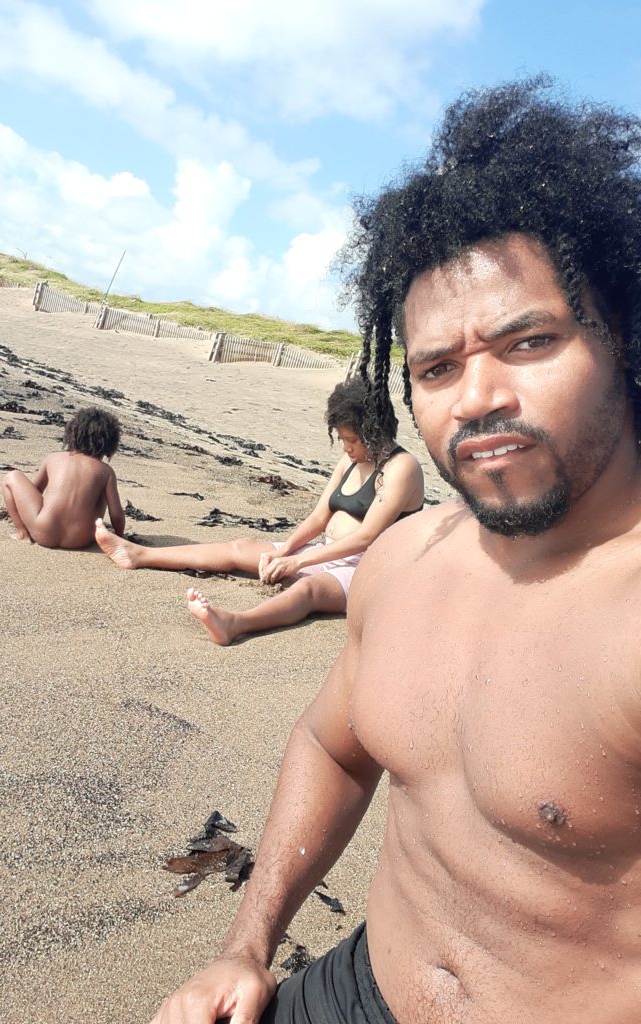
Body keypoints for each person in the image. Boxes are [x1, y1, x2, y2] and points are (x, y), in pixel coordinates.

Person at [150, 78, 641, 1024]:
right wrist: (245, 950)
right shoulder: (404, 564)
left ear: (617, 338)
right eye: (438, 367)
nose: (477, 397)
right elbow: (333, 747)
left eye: (528, 341)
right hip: (360, 986)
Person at [95, 378, 424, 645]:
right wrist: (287, 550)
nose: (346, 448)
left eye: (351, 440)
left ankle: (235, 623)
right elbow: (318, 518)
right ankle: (139, 555)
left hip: (366, 570)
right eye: (341, 439)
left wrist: (296, 562)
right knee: (242, 547)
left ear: (374, 431)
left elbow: (367, 536)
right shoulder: (349, 461)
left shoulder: (402, 467)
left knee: (307, 590)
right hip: (324, 551)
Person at [1, 406, 125, 548]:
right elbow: (116, 515)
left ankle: (22, 534)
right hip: (82, 538)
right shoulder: (106, 471)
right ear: (109, 444)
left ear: (73, 434)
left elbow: (35, 491)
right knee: (100, 491)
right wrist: (120, 536)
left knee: (11, 477)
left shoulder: (53, 458)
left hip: (43, 532)